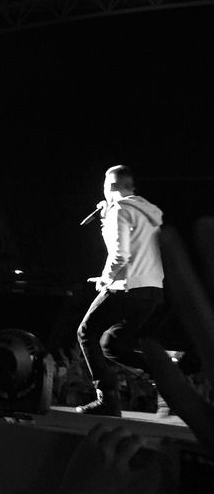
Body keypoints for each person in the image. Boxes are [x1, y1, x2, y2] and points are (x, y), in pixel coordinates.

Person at [76, 165, 165, 417]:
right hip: (153, 289)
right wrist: (106, 220)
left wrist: (105, 279)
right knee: (112, 345)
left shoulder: (120, 210)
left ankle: (107, 399)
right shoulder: (149, 211)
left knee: (85, 332)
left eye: (105, 187)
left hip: (128, 287)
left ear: (112, 187)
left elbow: (120, 254)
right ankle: (167, 376)